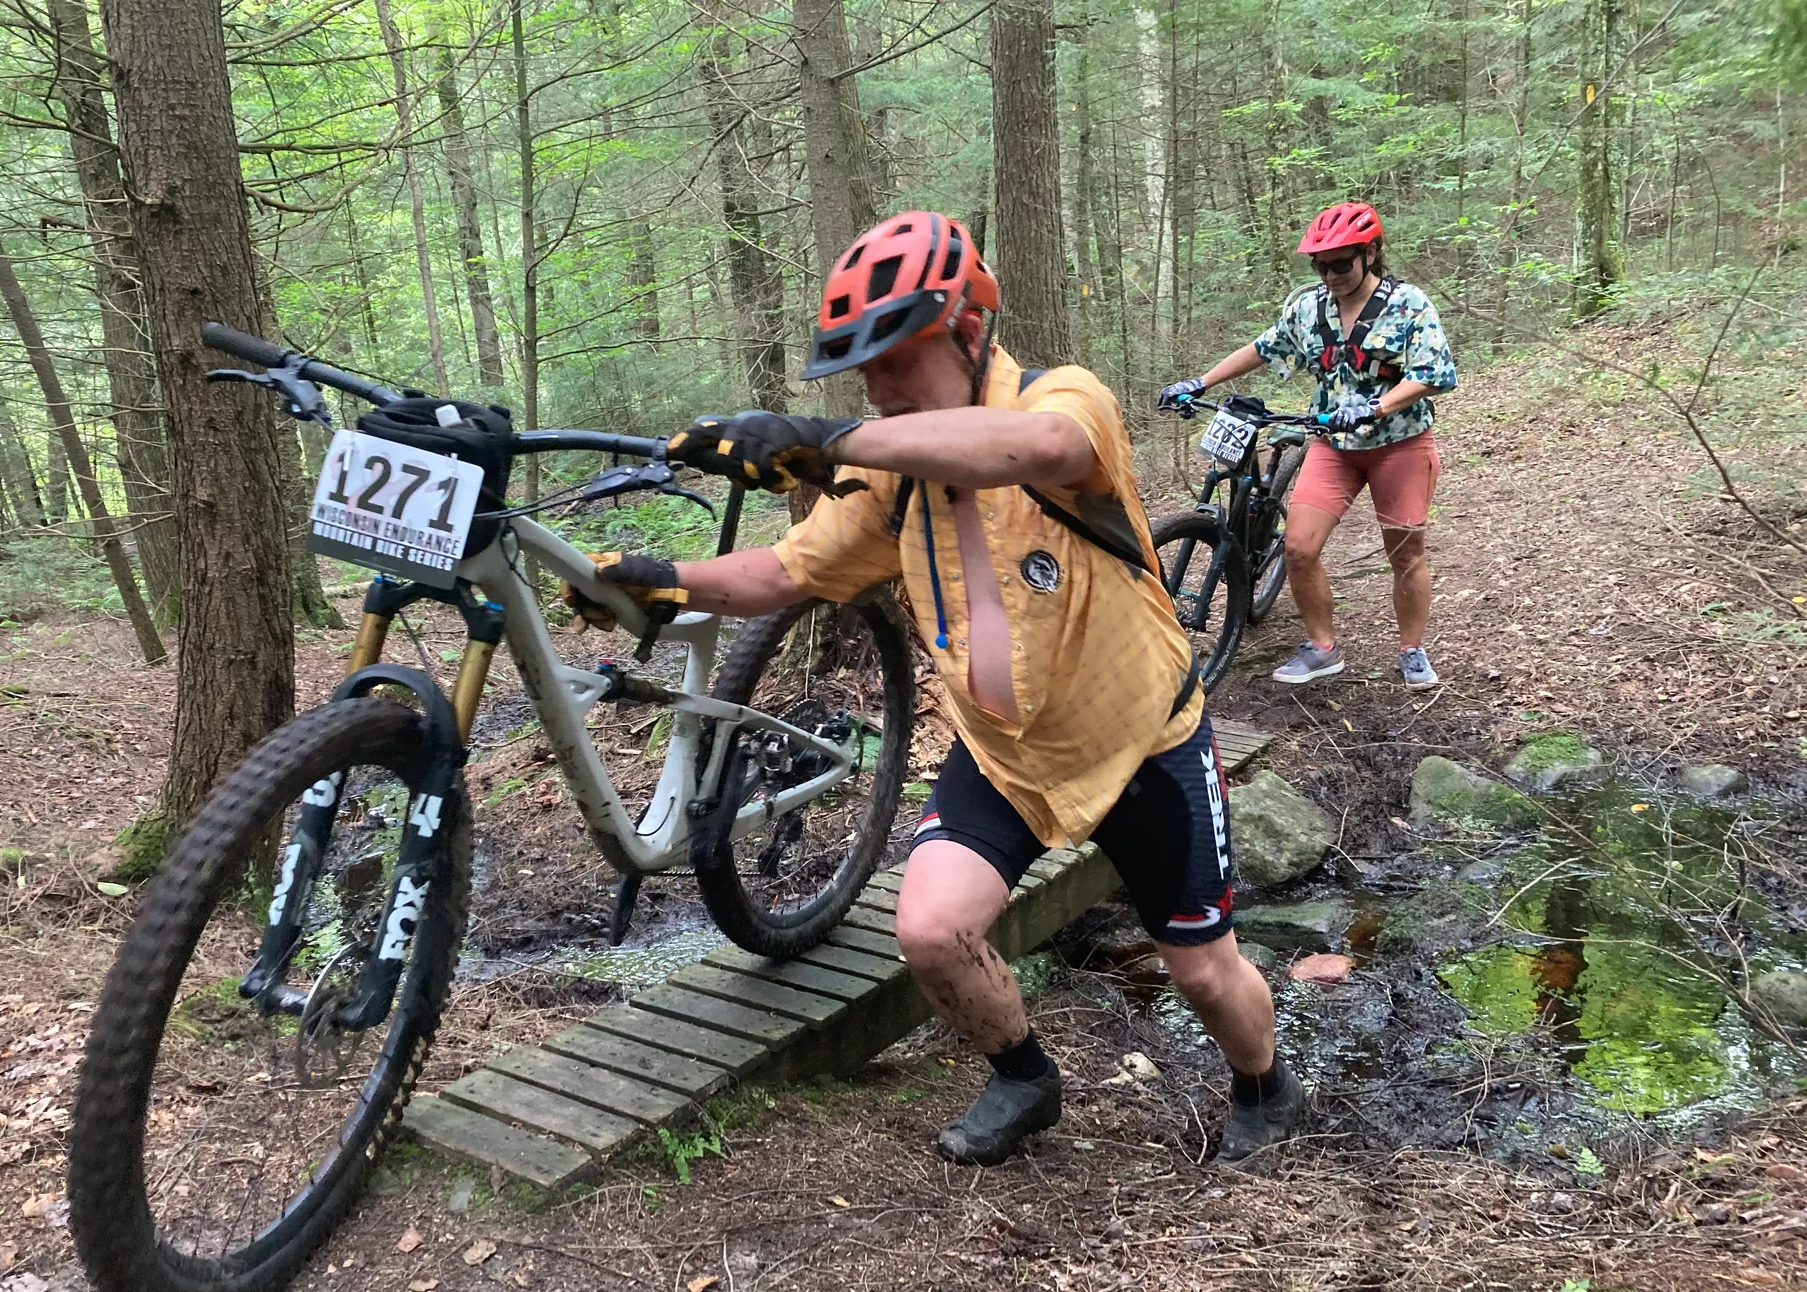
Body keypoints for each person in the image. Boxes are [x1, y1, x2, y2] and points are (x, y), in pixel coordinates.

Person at [570, 210, 1302, 1166]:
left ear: (967, 328)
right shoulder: (890, 479)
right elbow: (790, 574)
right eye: (861, 377)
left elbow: (1042, 450)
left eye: (894, 362)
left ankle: (1265, 1084)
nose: (875, 393)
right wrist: (661, 582)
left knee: (1204, 975)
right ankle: (1024, 1075)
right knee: (928, 931)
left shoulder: (1064, 398)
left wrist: (831, 439)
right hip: (1007, 753)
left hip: (1140, 743)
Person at [1159, 202, 1458, 690]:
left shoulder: (1409, 305)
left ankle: (1412, 649)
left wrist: (1376, 407)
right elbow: (1262, 348)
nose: (1331, 274)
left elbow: (1434, 375)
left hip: (1398, 445)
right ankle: (1323, 647)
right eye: (1321, 266)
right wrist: (1200, 381)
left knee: (1405, 553)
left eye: (1341, 263)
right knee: (1298, 547)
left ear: (1371, 252)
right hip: (1333, 446)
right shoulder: (1309, 308)